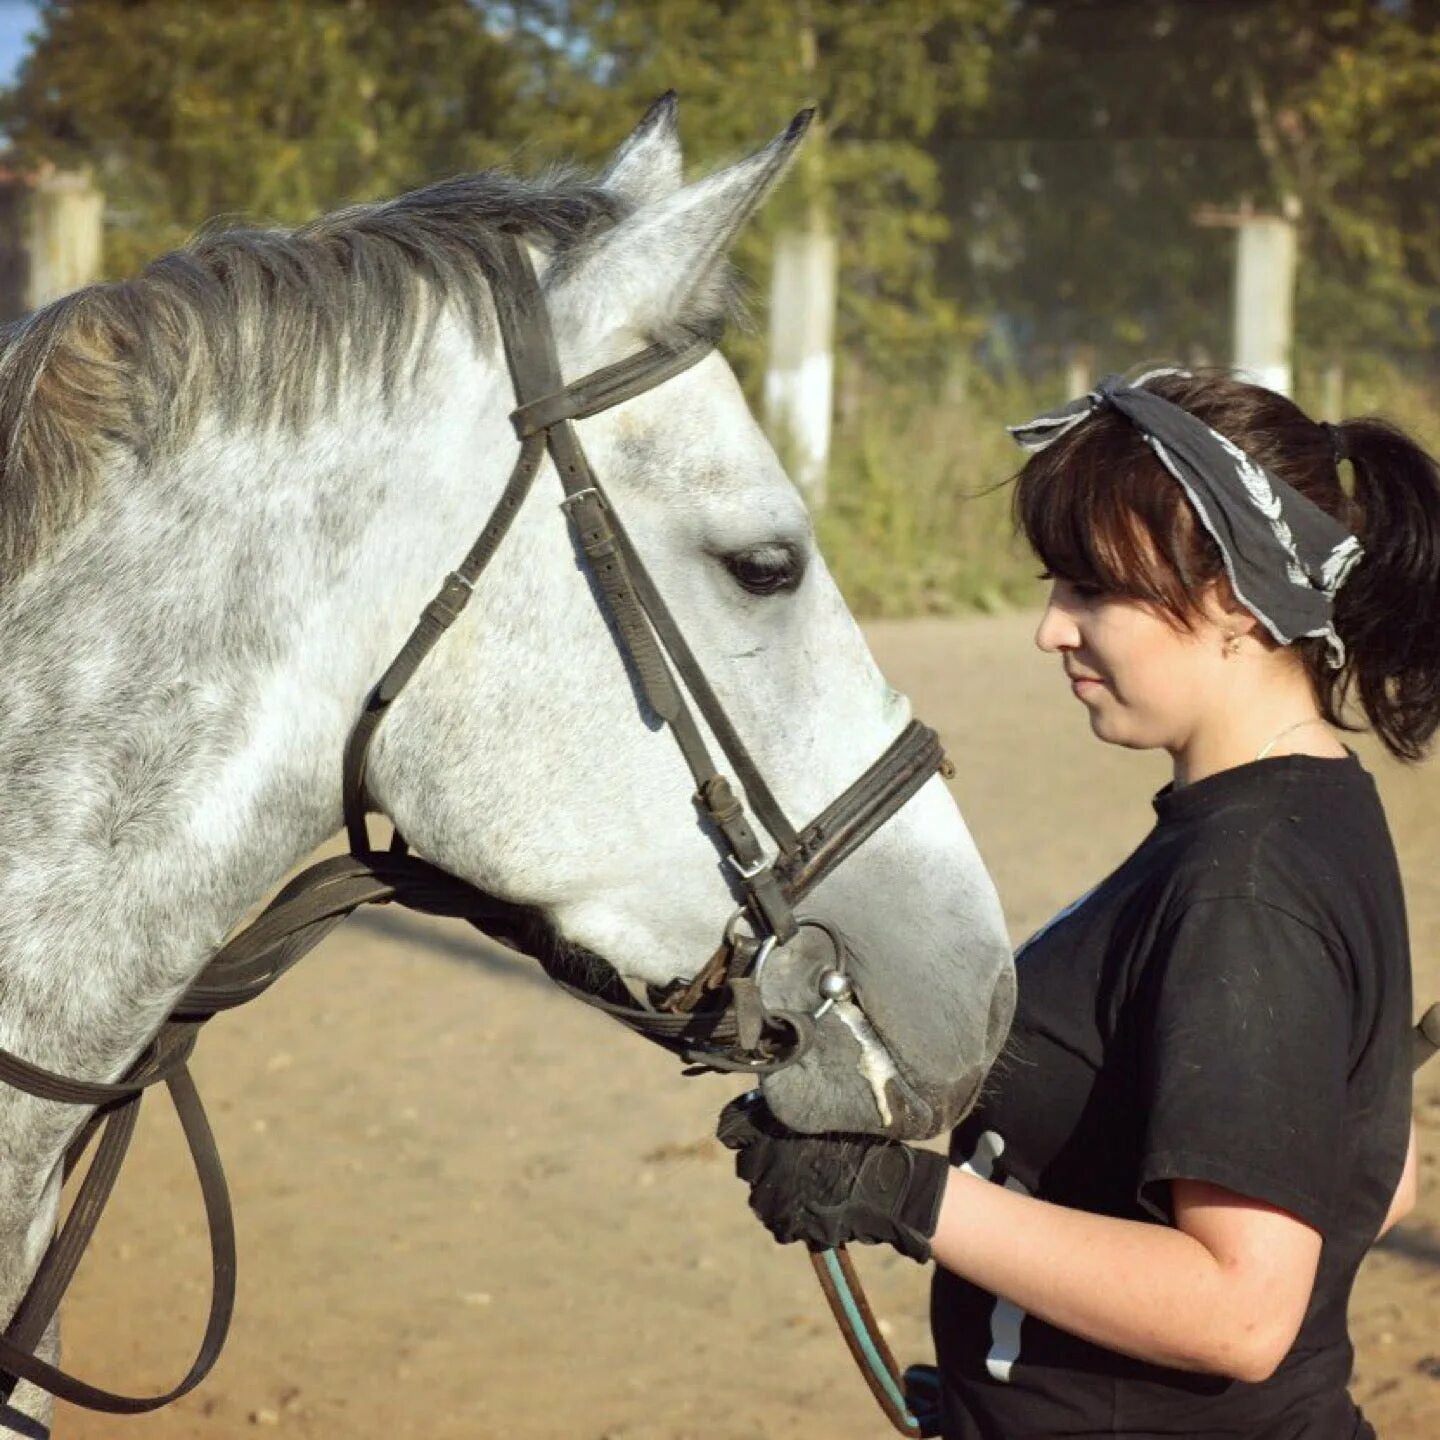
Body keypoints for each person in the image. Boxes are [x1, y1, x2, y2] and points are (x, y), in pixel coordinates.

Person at [719, 367, 1437, 1439]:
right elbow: (1380, 1186)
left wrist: (908, 1200)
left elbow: (1243, 1312)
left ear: (1238, 601)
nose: (1050, 629)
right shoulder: (1296, 816)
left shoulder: (1248, 887)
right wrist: (1023, 1364)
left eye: (1091, 589)